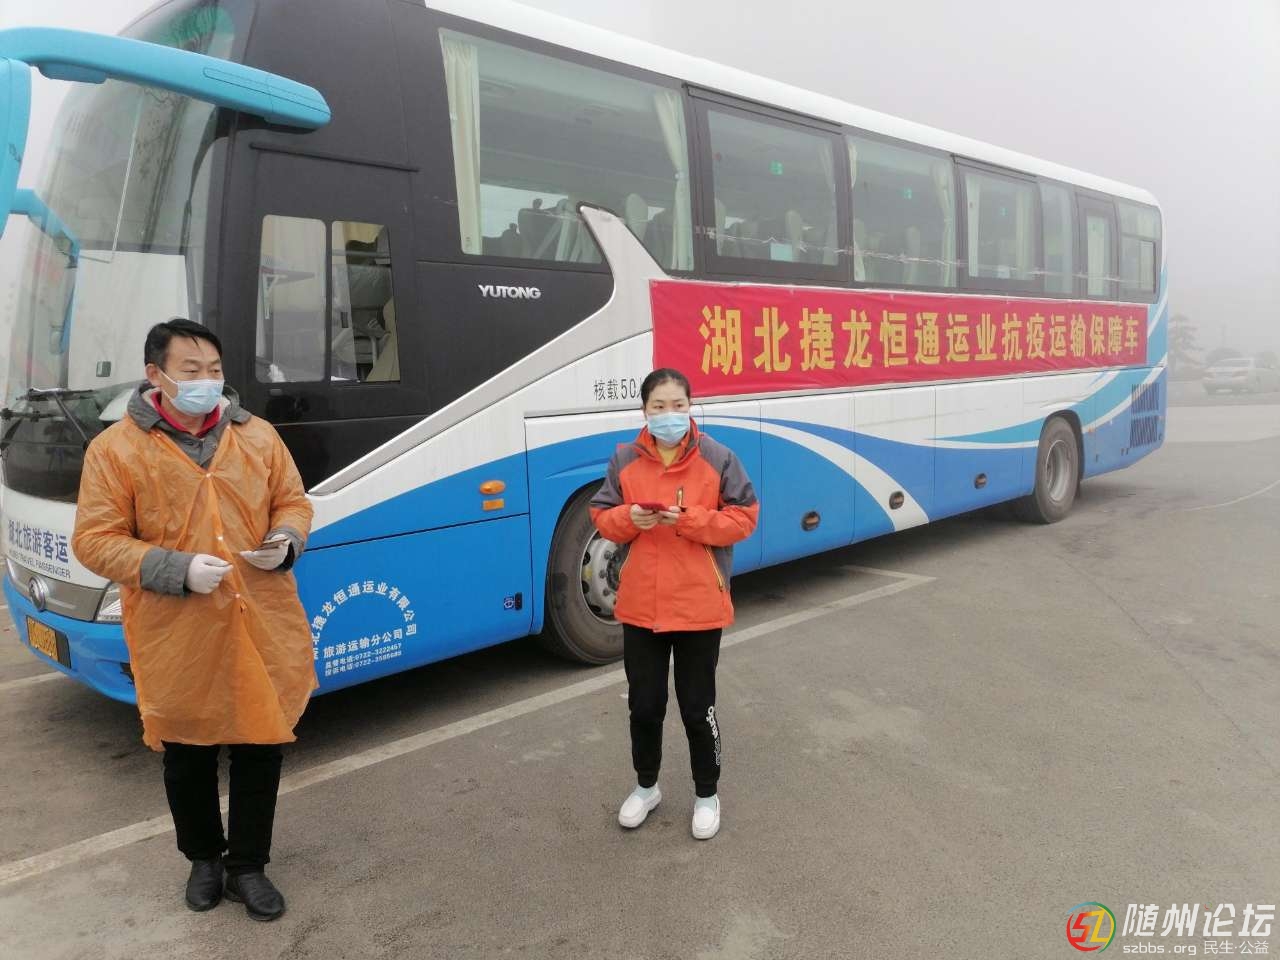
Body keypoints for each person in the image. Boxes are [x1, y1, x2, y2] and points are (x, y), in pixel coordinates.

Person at [72, 319, 316, 921]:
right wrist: (174, 568)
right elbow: (95, 539)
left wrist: (285, 540)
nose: (207, 381)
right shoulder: (116, 450)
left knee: (261, 745)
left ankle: (247, 866)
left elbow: (292, 501)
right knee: (187, 753)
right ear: (155, 375)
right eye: (191, 370)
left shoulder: (257, 436)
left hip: (260, 619)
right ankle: (204, 859)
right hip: (175, 632)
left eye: (215, 370)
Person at [590, 368, 759, 840]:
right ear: (644, 410)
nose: (669, 415)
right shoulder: (624, 458)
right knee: (644, 706)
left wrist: (688, 520)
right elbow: (602, 515)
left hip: (698, 606)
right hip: (640, 606)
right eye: (659, 406)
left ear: (690, 406)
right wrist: (630, 517)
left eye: (678, 405)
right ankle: (646, 787)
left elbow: (744, 517)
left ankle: (707, 794)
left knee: (697, 708)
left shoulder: (718, 457)